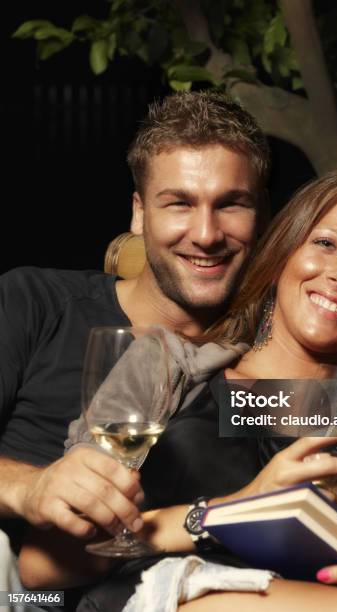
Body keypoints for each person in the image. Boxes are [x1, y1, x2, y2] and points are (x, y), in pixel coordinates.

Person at [19, 171, 337, 610]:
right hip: (175, 593)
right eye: (325, 243)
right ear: (281, 257)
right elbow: (41, 567)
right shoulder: (170, 366)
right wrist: (224, 515)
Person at [0, 90, 270, 575]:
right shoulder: (33, 301)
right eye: (179, 204)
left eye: (231, 204)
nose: (206, 234)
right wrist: (28, 489)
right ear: (140, 213)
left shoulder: (260, 359)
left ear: (260, 217)